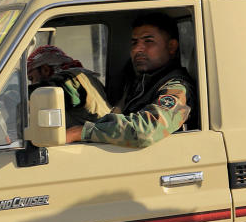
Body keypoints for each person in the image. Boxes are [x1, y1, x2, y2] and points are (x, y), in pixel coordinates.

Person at [66, 12, 196, 148]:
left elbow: (146, 131)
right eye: (134, 42)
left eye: (148, 41)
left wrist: (82, 132)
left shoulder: (177, 87)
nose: (137, 49)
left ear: (171, 47)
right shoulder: (140, 81)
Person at [27, 44, 111, 126]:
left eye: (31, 78)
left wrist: (18, 94)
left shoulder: (72, 80)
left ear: (45, 70)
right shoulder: (82, 76)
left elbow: (57, 89)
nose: (32, 83)